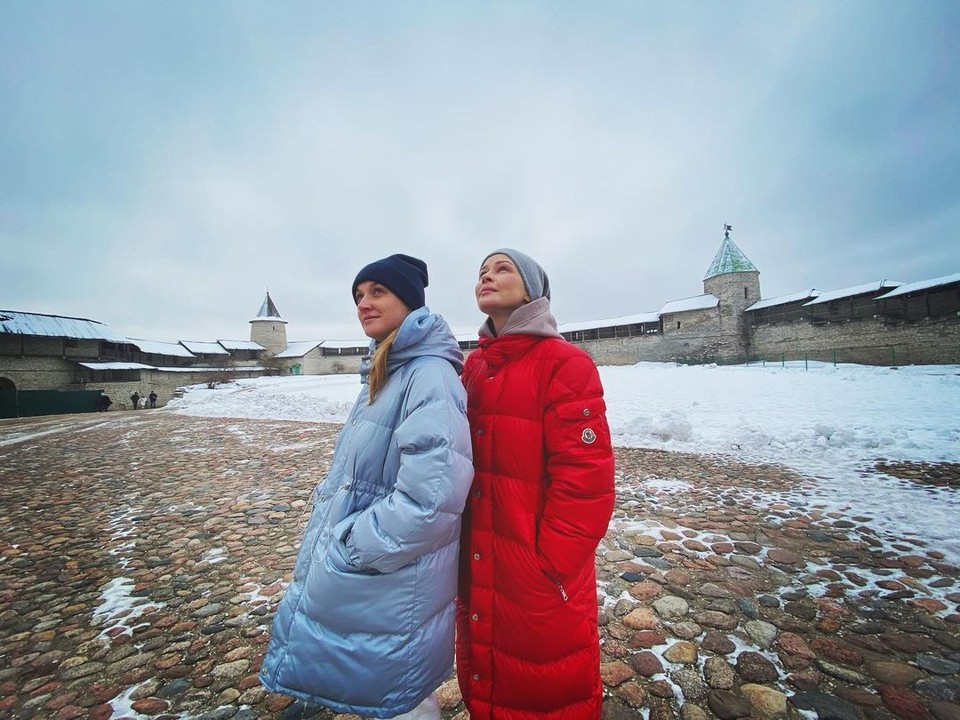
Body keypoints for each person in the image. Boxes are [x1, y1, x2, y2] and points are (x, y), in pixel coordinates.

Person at [259, 254, 473, 719]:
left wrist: (355, 546)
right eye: (358, 295)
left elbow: (433, 496)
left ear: (409, 302)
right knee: (392, 691)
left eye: (378, 292)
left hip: (389, 577)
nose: (363, 304)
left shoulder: (427, 374)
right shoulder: (389, 369)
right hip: (381, 580)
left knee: (401, 699)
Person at [456, 249, 616, 720]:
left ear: (532, 290)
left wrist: (548, 566)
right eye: (481, 272)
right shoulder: (474, 367)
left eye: (502, 268)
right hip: (479, 560)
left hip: (536, 574)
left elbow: (587, 482)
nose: (487, 277)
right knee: (486, 677)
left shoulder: (565, 364)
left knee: (545, 688)